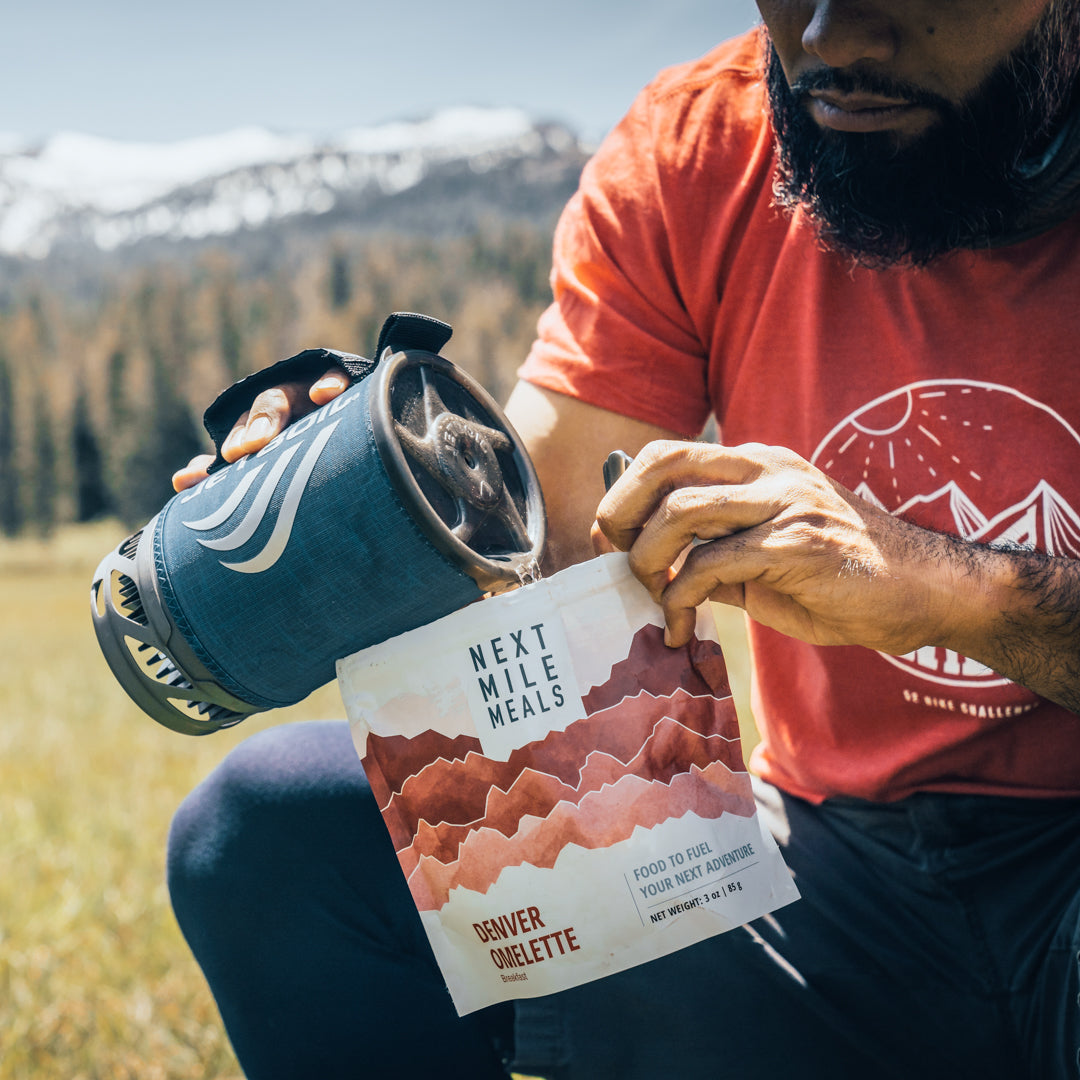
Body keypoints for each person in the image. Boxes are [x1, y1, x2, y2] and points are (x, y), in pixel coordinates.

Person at [166, 1, 1080, 1077]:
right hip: (817, 878)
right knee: (273, 838)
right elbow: (539, 545)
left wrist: (944, 588)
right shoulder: (710, 146)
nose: (833, 35)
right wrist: (393, 486)